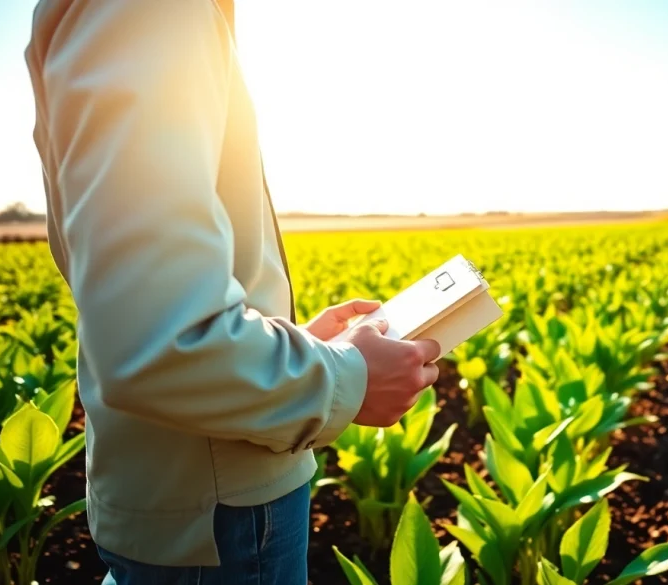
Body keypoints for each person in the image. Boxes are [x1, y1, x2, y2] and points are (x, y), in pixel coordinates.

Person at [23, 1, 441, 583]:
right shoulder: (155, 13)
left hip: (186, 489)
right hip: (221, 512)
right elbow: (160, 338)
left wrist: (298, 344)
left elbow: (157, 301)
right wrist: (348, 378)